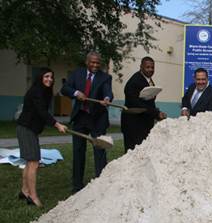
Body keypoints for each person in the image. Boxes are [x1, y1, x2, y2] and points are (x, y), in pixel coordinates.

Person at [61, 51, 113, 193]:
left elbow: (108, 92)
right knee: (78, 151)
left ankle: (100, 185)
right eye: (93, 62)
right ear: (87, 62)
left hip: (98, 118)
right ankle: (77, 186)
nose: (95, 65)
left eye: (98, 63)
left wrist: (107, 98)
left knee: (99, 150)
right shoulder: (77, 74)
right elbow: (65, 89)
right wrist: (76, 93)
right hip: (80, 117)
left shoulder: (106, 77)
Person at [16, 68, 67, 207]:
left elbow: (42, 114)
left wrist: (55, 123)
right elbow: (42, 112)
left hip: (29, 129)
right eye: (46, 76)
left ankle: (25, 190)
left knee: (30, 161)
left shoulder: (43, 92)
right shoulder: (36, 92)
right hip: (26, 128)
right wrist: (57, 124)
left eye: (51, 77)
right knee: (34, 162)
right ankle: (32, 196)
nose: (49, 79)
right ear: (40, 77)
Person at [121, 57, 166, 152]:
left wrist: (156, 114)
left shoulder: (147, 80)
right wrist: (156, 113)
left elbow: (148, 102)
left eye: (152, 67)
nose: (150, 69)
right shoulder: (135, 81)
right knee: (133, 155)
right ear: (141, 67)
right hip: (134, 125)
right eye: (147, 67)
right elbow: (136, 103)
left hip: (144, 124)